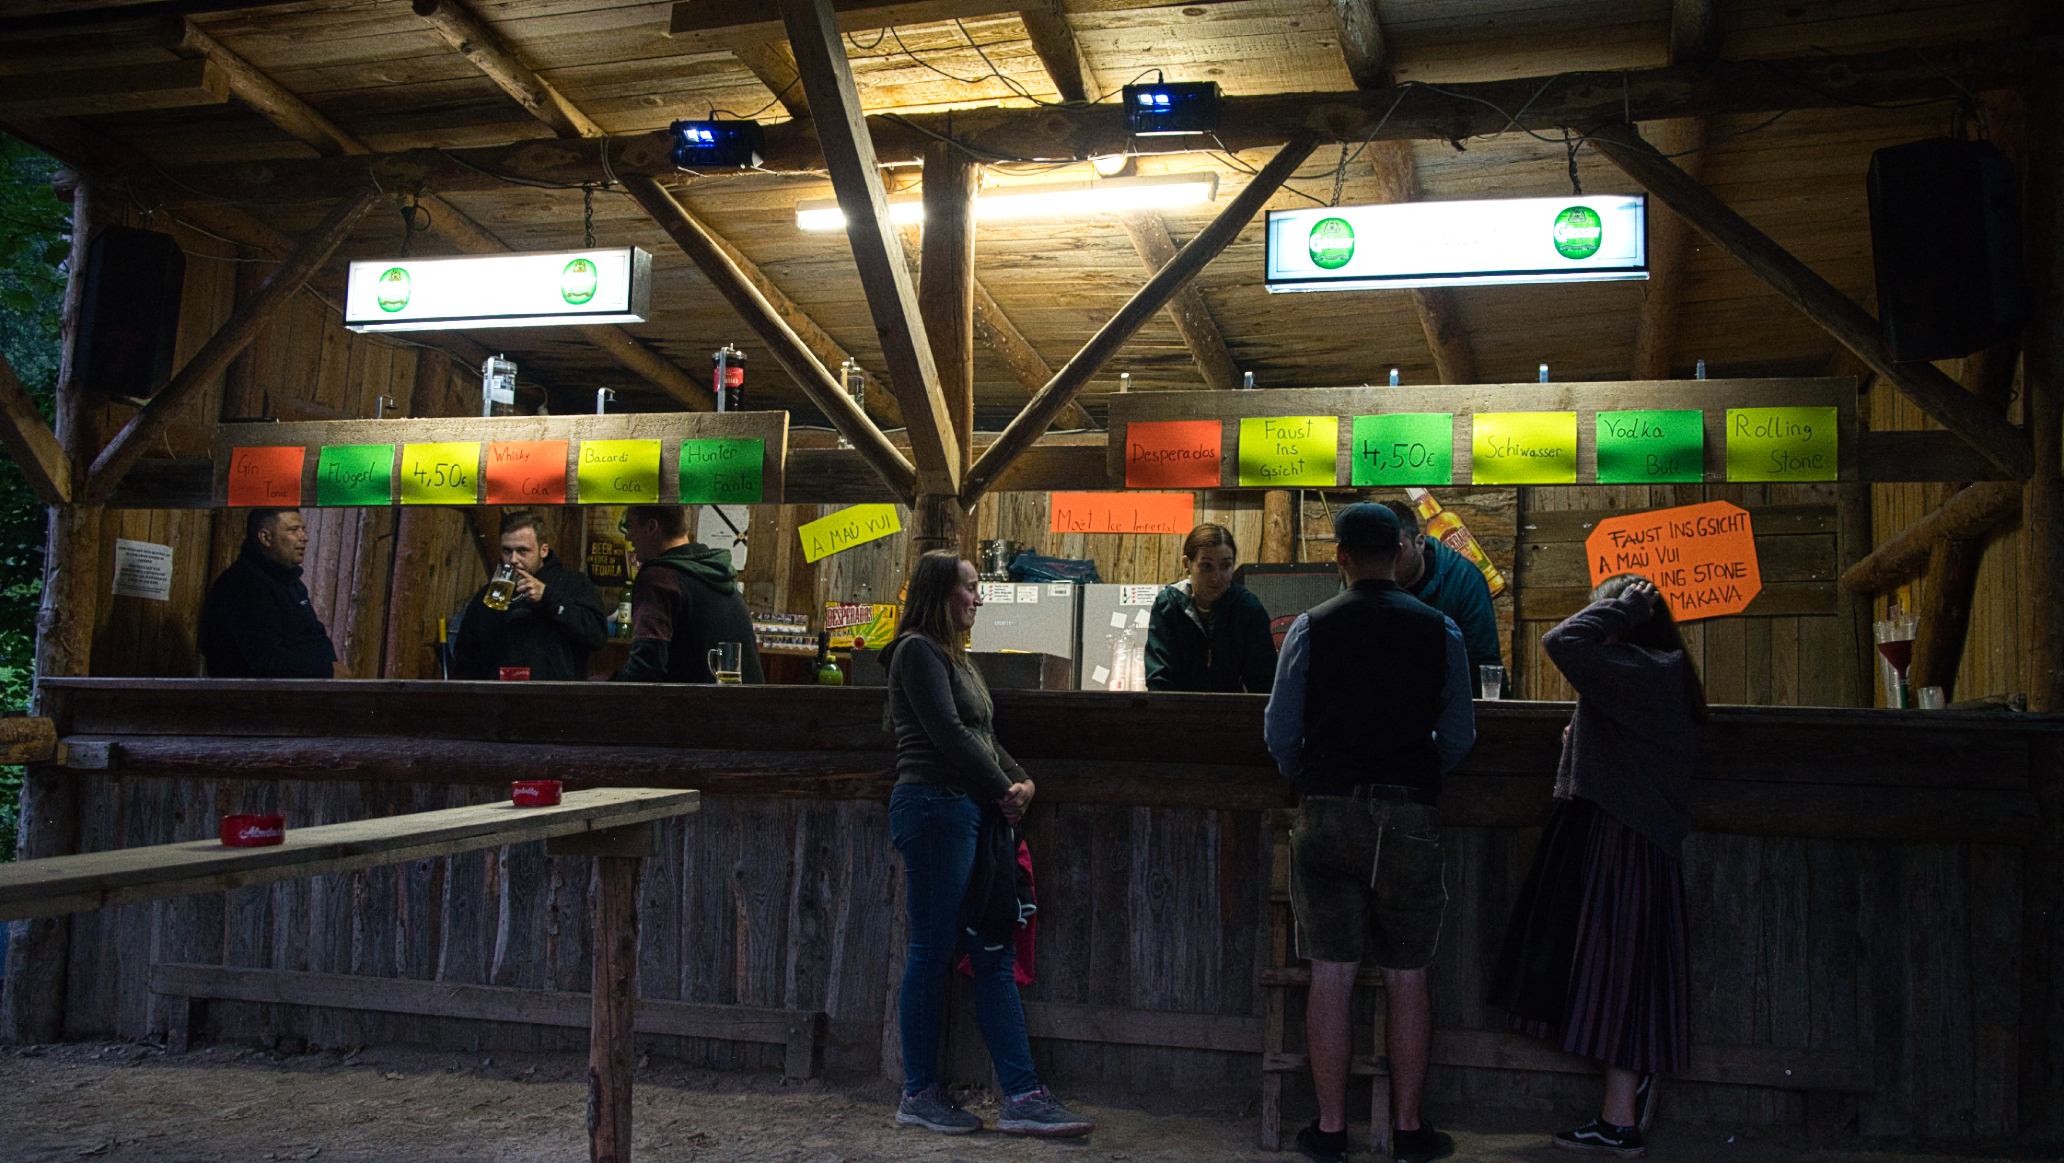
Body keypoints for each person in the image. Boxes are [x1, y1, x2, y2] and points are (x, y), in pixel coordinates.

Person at [1264, 503, 1474, 1163]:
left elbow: (1280, 733)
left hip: (1328, 809)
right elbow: (1459, 735)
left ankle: (1330, 1131)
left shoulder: (1310, 628)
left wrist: (1311, 774)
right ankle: (1408, 1131)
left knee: (1331, 974)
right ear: (1400, 553)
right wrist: (1413, 775)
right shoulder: (1441, 629)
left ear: (1341, 557)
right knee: (1409, 977)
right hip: (1410, 813)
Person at [879, 550, 1093, 1138]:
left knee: (992, 950)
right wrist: (1005, 790)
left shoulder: (956, 658)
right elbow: (947, 734)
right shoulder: (916, 651)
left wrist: (1023, 782)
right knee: (932, 950)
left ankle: (1022, 1096)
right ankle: (919, 1093)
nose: (978, 597)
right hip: (933, 806)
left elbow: (983, 735)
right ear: (938, 593)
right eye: (969, 588)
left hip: (970, 811)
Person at [1489, 575, 1703, 1156]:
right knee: (1621, 974)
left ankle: (1619, 1120)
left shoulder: (1644, 669)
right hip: (1632, 835)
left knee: (1617, 976)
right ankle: (1620, 1111)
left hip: (1624, 836)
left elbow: (1561, 642)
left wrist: (1623, 607)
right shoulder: (1657, 669)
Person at [613, 504, 763, 683]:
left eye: (631, 526)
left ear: (651, 527)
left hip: (695, 700)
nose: (628, 537)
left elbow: (646, 668)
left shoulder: (659, 578)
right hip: (744, 699)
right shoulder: (715, 569)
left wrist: (605, 687)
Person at [451, 510, 608, 681]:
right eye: (507, 551)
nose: (513, 559)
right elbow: (466, 657)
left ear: (543, 550)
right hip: (500, 694)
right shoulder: (490, 594)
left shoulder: (571, 584)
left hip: (553, 694)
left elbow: (597, 636)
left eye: (522, 551)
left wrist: (548, 597)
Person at [199, 508, 343, 679]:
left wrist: (330, 669)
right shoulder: (242, 585)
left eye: (303, 529)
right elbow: (264, 659)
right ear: (265, 538)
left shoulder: (291, 583)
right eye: (292, 530)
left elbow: (316, 633)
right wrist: (325, 672)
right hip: (257, 693)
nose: (304, 537)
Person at [1381, 499, 1503, 692]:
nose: (1386, 562)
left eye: (1397, 552)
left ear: (1419, 543)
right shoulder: (1362, 576)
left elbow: (1483, 663)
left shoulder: (1465, 579)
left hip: (1446, 699)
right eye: (1378, 552)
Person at [1144, 522, 1277, 692]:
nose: (1216, 577)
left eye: (1225, 566)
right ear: (1187, 564)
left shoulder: (1248, 609)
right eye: (1206, 566)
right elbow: (1159, 678)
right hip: (1177, 706)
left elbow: (1265, 681)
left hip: (1230, 706)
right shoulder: (1168, 605)